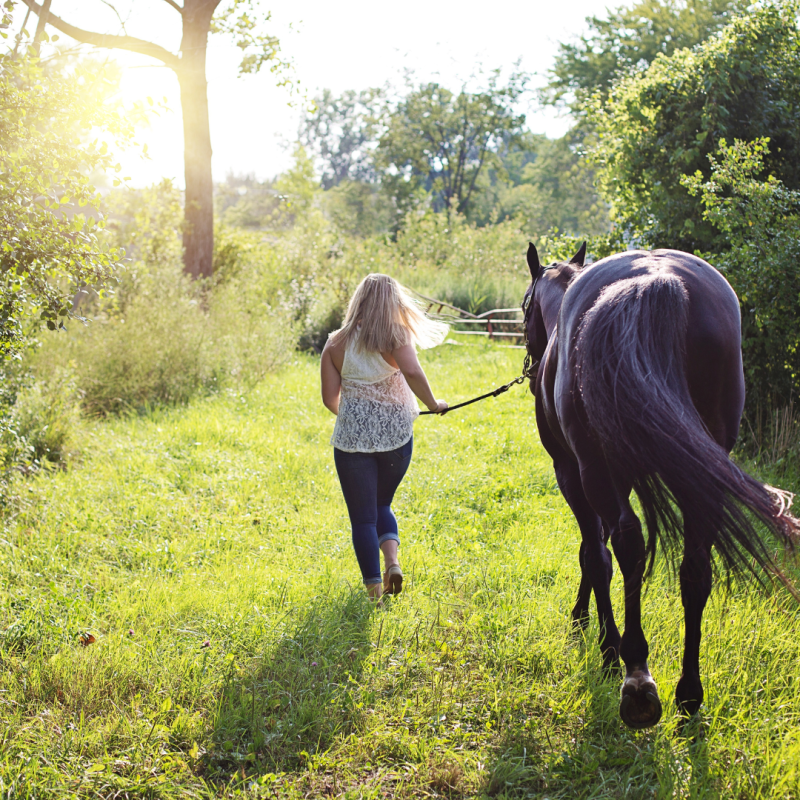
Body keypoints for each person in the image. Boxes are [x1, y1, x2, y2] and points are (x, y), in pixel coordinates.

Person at [320, 274, 449, 602]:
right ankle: (392, 562)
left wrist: (357, 419)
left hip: (351, 444)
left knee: (363, 517)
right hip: (396, 439)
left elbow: (329, 399)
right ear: (392, 302)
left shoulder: (335, 343)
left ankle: (374, 592)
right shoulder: (396, 335)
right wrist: (434, 405)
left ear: (358, 301)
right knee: (382, 503)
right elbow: (413, 372)